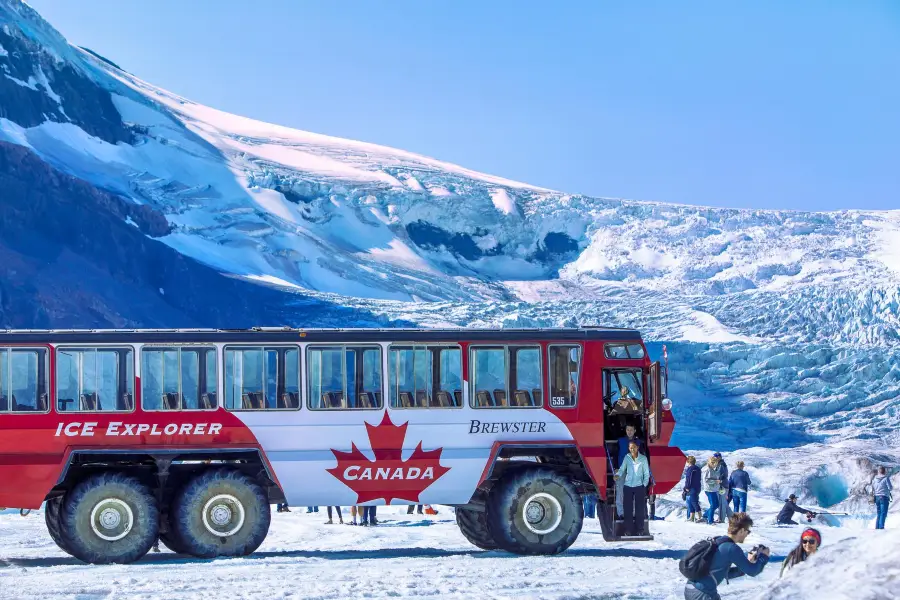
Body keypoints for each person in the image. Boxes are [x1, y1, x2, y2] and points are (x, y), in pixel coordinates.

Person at [683, 512, 770, 600]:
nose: (748, 534)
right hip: (703, 594)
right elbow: (753, 571)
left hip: (692, 589)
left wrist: (746, 565)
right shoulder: (731, 548)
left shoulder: (719, 540)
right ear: (742, 530)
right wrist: (763, 556)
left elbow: (725, 573)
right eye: (748, 531)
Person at [615, 440, 651, 536]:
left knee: (639, 509)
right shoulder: (627, 458)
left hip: (639, 486)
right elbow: (622, 469)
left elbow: (646, 473)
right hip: (628, 486)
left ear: (637, 447)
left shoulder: (643, 459)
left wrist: (644, 484)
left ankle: (640, 530)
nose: (632, 449)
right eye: (630, 448)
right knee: (628, 509)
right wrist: (617, 475)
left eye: (633, 447)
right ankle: (628, 530)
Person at [616, 423, 644, 517]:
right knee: (620, 491)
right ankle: (621, 513)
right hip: (622, 469)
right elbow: (616, 454)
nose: (629, 432)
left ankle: (633, 513)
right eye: (628, 430)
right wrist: (616, 467)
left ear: (634, 431)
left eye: (631, 430)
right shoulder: (620, 441)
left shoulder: (639, 442)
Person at [702, 455, 726, 524]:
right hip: (709, 490)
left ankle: (705, 515)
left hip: (713, 489)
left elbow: (713, 476)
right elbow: (706, 480)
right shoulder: (707, 470)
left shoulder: (711, 469)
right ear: (711, 463)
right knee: (713, 505)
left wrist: (718, 480)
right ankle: (710, 521)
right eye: (715, 464)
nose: (716, 465)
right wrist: (716, 481)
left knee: (716, 504)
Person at [684, 456, 703, 522]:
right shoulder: (698, 468)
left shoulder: (690, 469)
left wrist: (686, 487)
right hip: (698, 487)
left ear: (688, 462)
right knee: (692, 502)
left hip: (692, 488)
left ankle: (700, 517)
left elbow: (688, 479)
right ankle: (692, 517)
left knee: (694, 502)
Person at [714, 453, 731, 523]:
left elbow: (723, 475)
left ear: (719, 457)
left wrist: (718, 480)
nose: (714, 458)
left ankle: (721, 519)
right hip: (724, 485)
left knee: (721, 503)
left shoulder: (720, 464)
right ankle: (732, 518)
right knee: (724, 503)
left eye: (715, 457)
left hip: (722, 486)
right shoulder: (723, 464)